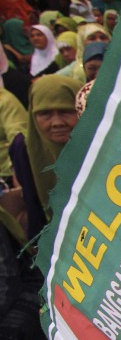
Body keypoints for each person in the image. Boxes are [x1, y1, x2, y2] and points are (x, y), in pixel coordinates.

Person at [9, 76, 84, 239]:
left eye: (65, 111)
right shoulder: (24, 148)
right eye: (45, 114)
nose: (56, 122)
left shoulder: (102, 140)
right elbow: (33, 205)